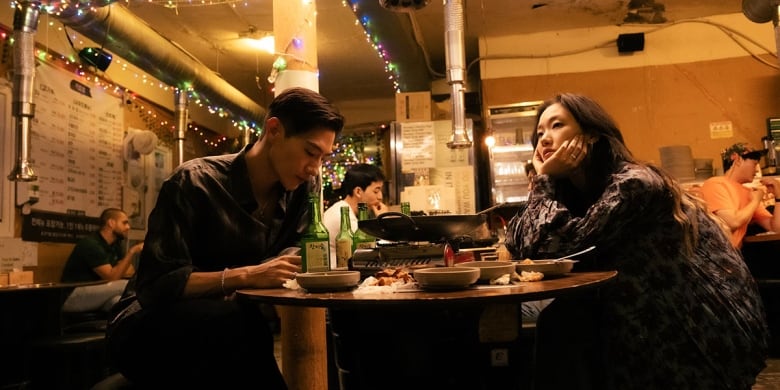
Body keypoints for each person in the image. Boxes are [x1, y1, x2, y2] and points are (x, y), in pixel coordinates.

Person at [505, 93, 768, 389]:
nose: (544, 139)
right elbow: (522, 244)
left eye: (556, 126)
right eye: (539, 132)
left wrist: (544, 181)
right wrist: (544, 182)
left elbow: (565, 247)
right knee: (562, 321)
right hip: (643, 315)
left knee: (563, 324)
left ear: (590, 136)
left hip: (696, 327)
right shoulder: (579, 193)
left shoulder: (635, 182)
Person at [106, 87, 344, 389]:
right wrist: (247, 275)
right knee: (234, 323)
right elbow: (157, 285)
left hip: (230, 323)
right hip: (147, 324)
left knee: (322, 323)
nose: (315, 169)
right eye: (311, 152)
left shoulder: (302, 191)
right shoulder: (194, 182)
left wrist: (285, 262)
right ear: (274, 130)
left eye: (323, 157)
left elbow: (298, 249)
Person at [60, 208, 143, 313]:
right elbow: (112, 277)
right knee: (126, 285)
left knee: (119, 302)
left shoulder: (115, 245)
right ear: (111, 223)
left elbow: (129, 272)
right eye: (124, 223)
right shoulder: (91, 244)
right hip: (73, 295)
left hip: (98, 292)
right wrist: (132, 251)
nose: (128, 227)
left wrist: (118, 270)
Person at [700, 142, 780, 248]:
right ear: (737, 159)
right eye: (754, 164)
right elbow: (732, 222)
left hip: (733, 256)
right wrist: (755, 201)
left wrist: (778, 196)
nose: (757, 170)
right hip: (714, 256)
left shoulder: (748, 193)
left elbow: (776, 228)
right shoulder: (715, 184)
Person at [322, 163, 387, 255]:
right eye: (376, 191)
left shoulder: (345, 209)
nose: (380, 197)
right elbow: (375, 250)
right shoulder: (343, 216)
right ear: (358, 192)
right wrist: (382, 220)